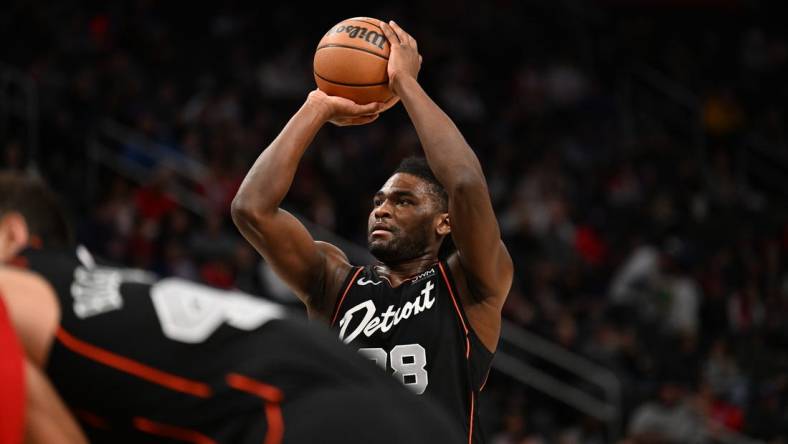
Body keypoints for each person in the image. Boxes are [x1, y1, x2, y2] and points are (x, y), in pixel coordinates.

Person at [0, 171, 462, 443]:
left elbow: (27, 404)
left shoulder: (19, 284)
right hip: (398, 414)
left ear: (12, 235)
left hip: (297, 419)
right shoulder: (103, 285)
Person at [232, 20, 513, 444]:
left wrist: (404, 84)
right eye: (379, 201)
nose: (382, 210)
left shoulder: (469, 285)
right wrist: (316, 107)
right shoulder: (334, 281)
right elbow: (250, 208)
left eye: (403, 201)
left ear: (445, 221)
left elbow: (466, 183)